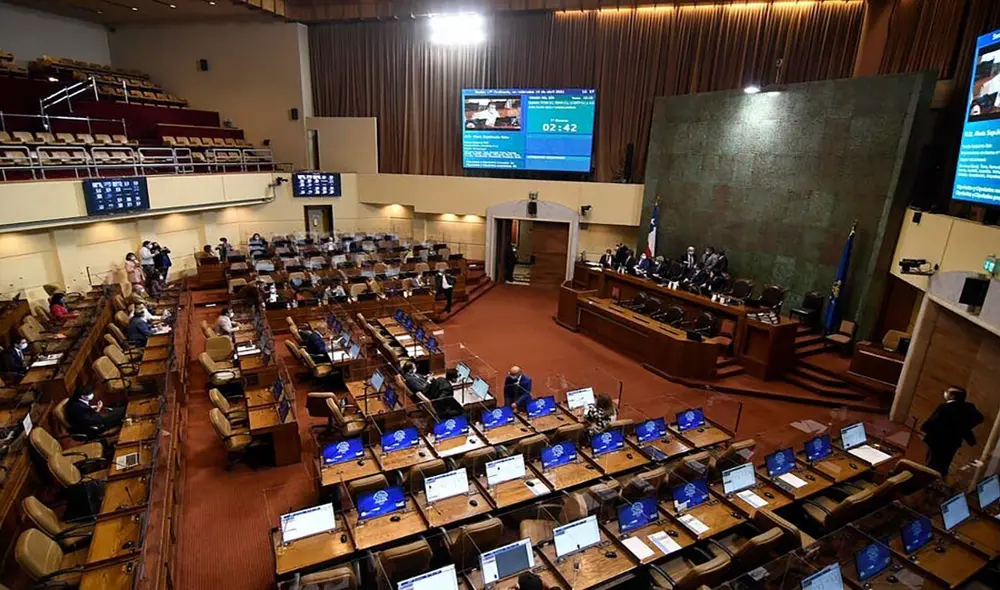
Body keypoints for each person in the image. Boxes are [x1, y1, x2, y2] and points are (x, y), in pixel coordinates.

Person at [921, 387, 984, 477]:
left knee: (932, 463)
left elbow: (932, 422)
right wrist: (963, 428)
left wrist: (924, 428)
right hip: (953, 442)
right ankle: (939, 480)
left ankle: (927, 481)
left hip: (936, 441)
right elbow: (979, 418)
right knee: (944, 464)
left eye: (947, 393)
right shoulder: (968, 407)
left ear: (952, 396)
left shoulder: (944, 407)